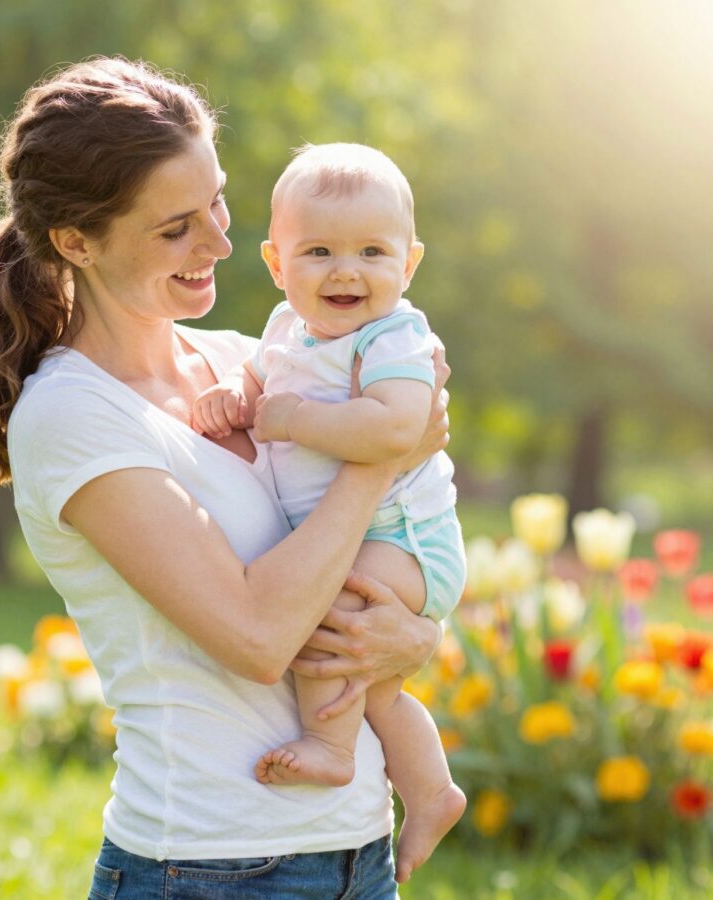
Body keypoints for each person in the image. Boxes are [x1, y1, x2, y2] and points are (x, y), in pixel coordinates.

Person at [0, 57, 450, 898]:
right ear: (76, 242)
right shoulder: (73, 415)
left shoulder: (255, 361)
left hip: (358, 851)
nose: (219, 242)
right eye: (176, 227)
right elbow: (259, 638)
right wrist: (380, 455)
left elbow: (389, 546)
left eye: (216, 201)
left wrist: (418, 638)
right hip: (207, 866)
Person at [188, 143, 466, 876]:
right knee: (376, 685)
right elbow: (259, 382)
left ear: (409, 264)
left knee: (330, 620)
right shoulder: (287, 328)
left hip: (405, 537)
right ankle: (431, 792)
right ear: (277, 264)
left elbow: (398, 428)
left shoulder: (393, 336)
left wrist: (294, 421)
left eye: (373, 252)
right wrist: (235, 398)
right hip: (364, 533)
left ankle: (332, 749)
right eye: (319, 252)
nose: (346, 271)